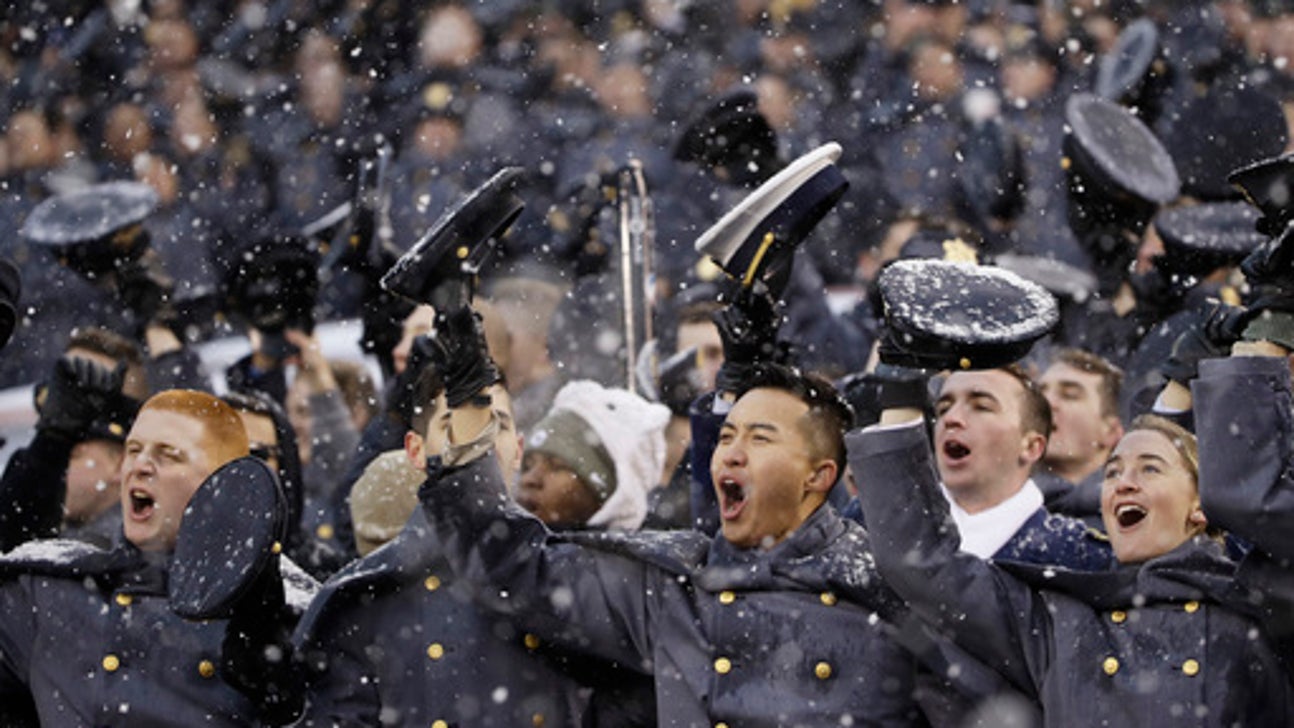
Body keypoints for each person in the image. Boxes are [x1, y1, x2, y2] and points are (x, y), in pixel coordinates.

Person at [411, 300, 923, 726]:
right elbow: (512, 566)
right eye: (725, 436)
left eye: (759, 438)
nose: (732, 452)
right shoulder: (672, 586)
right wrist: (471, 397)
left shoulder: (888, 583)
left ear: (819, 475)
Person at [852, 398, 1294, 723]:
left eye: (1150, 468)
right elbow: (923, 564)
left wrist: (1263, 341)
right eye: (1113, 472)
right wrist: (899, 397)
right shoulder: (1060, 621)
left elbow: (1265, 507)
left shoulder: (1258, 604)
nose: (1122, 484)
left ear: (1201, 506)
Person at [293, 358, 588, 727]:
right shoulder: (364, 599)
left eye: (497, 424)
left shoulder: (574, 578)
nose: (478, 443)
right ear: (416, 451)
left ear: (518, 446)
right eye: (454, 426)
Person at [0, 389, 318, 726]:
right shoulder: (49, 589)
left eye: (168, 455)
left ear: (223, 482)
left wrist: (285, 699)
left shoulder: (285, 609)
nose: (139, 466)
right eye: (133, 450)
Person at [1034, 348, 1125, 526]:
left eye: (1070, 395)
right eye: (1039, 394)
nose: (1046, 403)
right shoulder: (994, 507)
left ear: (1111, 432)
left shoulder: (1135, 522)